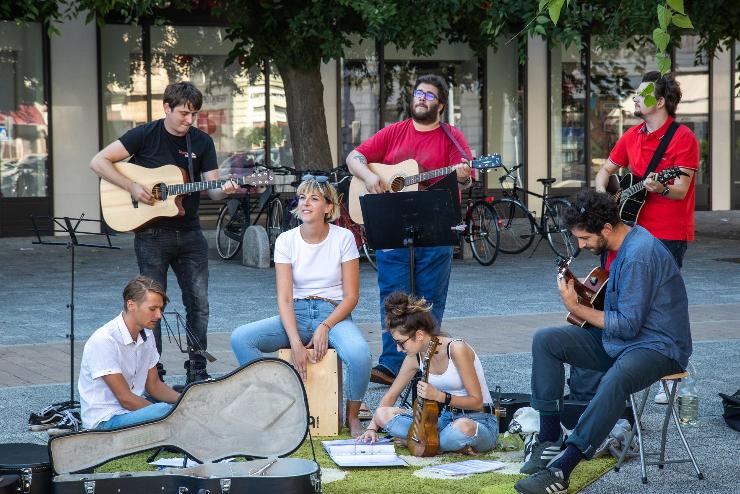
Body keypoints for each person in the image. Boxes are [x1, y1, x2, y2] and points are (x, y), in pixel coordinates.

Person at [514, 190, 692, 494]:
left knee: (616, 379)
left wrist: (576, 308)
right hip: (623, 341)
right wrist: (587, 295)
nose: (581, 246)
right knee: (546, 340)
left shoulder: (639, 255)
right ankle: (548, 437)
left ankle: (562, 468)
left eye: (584, 239)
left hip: (659, 347)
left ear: (606, 229)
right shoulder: (616, 245)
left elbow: (627, 323)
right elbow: (621, 311)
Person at [90, 81, 238, 384]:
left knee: (199, 303)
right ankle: (152, 372)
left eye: (194, 114)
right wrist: (132, 186)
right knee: (151, 305)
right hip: (151, 235)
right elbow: (99, 161)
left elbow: (213, 193)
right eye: (184, 113)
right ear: (167, 108)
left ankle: (197, 371)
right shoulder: (145, 134)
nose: (189, 120)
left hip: (191, 234)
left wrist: (227, 189)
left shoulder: (202, 143)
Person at [346, 74, 472, 385]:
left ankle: (428, 362)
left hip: (435, 225)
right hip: (393, 226)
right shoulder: (394, 132)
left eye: (429, 96)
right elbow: (354, 157)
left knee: (429, 298)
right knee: (393, 296)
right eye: (419, 93)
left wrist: (464, 176)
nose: (422, 98)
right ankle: (390, 365)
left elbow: (466, 180)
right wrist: (370, 177)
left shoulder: (451, 136)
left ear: (440, 105)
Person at [230, 175, 372, 437]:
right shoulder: (287, 240)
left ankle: (352, 418)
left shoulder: (343, 238)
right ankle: (272, 406)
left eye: (314, 198)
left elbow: (351, 296)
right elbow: (284, 298)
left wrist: (325, 326)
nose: (306, 203)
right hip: (294, 313)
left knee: (360, 354)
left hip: (334, 314)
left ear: (329, 207)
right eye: (303, 197)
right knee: (241, 338)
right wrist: (295, 341)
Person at [357, 292, 498, 454]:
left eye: (401, 343)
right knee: (382, 414)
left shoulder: (456, 349)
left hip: (479, 420)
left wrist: (440, 397)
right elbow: (391, 396)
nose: (398, 349)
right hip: (442, 421)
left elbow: (477, 402)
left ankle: (420, 442)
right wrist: (372, 428)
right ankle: (440, 444)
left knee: (463, 427)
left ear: (419, 334)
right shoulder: (414, 357)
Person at [594, 71, 698, 270]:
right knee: (619, 287)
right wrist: (603, 196)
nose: (635, 98)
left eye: (641, 95)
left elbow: (681, 190)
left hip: (666, 233)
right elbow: (605, 171)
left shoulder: (684, 138)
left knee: (659, 295)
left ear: (659, 102)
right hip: (627, 229)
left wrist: (661, 188)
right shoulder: (631, 135)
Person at [79, 276, 180, 430]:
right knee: (163, 410)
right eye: (153, 309)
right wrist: (169, 414)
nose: (159, 315)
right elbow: (125, 399)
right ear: (131, 305)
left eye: (160, 309)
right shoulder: (104, 340)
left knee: (182, 396)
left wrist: (186, 402)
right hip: (105, 421)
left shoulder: (147, 334)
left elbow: (154, 385)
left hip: (131, 413)